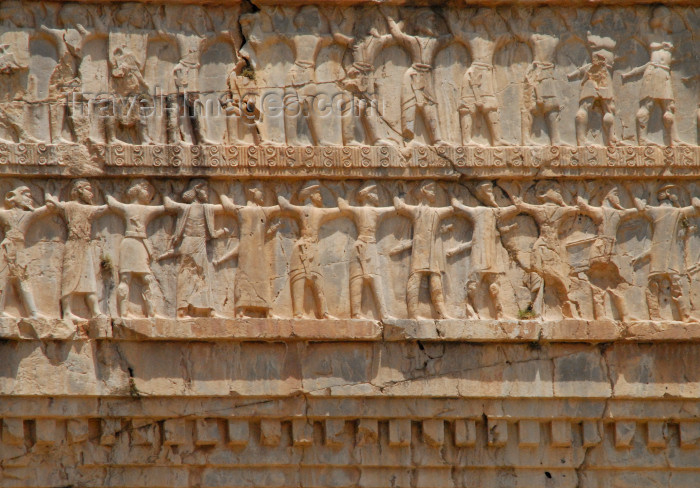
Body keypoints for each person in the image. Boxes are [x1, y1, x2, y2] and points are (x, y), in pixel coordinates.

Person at [392, 180, 453, 319]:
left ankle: (442, 312)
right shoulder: (417, 211)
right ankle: (413, 314)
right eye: (432, 190)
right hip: (419, 250)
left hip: (432, 251)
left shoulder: (436, 211)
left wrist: (450, 190)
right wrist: (401, 192)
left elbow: (453, 208)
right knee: (416, 278)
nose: (435, 194)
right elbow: (399, 206)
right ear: (424, 191)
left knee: (435, 280)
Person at [107, 180, 166, 318]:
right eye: (147, 190)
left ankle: (137, 312)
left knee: (130, 278)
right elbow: (163, 207)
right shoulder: (144, 209)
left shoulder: (128, 208)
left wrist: (110, 191)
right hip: (136, 243)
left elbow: (112, 203)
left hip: (132, 243)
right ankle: (132, 313)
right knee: (137, 279)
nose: (149, 195)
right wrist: (165, 192)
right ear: (138, 191)